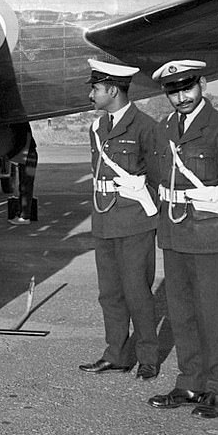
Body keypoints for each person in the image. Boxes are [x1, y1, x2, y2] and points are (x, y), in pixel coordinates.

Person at [147, 60, 218, 419]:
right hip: (174, 234)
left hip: (209, 237)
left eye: (187, 88)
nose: (181, 97)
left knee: (212, 315)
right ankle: (190, 382)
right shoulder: (163, 128)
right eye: (173, 91)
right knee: (181, 313)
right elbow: (155, 177)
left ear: (203, 85)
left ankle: (215, 389)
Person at [78, 60, 161, 381]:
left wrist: (145, 205)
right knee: (109, 293)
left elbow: (158, 178)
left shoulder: (145, 127)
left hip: (135, 222)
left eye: (95, 88)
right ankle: (116, 354)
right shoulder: (97, 128)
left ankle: (148, 357)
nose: (91, 95)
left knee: (137, 292)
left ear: (112, 90)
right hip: (104, 220)